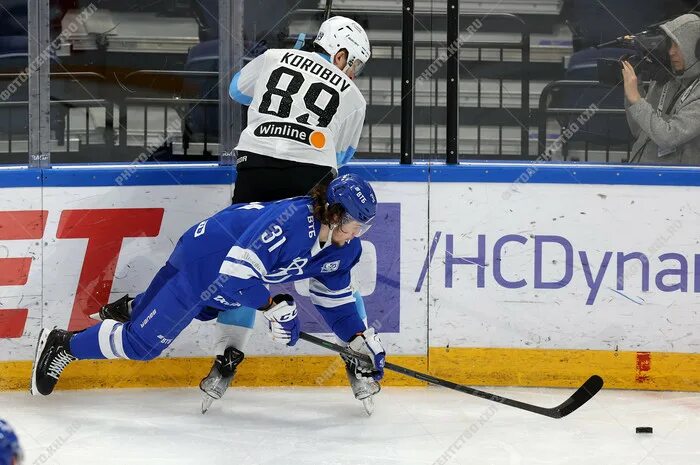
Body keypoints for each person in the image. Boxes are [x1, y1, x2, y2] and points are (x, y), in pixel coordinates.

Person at [95, 16, 375, 413]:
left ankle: (227, 353)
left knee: (245, 260)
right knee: (332, 262)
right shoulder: (354, 97)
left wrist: (286, 67)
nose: (352, 72)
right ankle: (356, 351)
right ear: (341, 53)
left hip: (254, 171)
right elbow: (342, 159)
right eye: (353, 63)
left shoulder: (276, 56)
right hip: (309, 182)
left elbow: (235, 91)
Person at [30, 174, 387, 413]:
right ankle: (63, 344)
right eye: (357, 224)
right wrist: (274, 306)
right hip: (204, 266)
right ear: (336, 214)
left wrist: (357, 338)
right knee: (143, 346)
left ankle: (137, 307)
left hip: (216, 264)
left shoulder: (344, 249)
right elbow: (235, 275)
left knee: (172, 315)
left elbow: (335, 301)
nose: (359, 234)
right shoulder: (291, 223)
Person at [623, 13, 700, 164]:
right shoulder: (666, 80)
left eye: (678, 45)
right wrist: (633, 88)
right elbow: (639, 131)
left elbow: (669, 137)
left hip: (675, 184)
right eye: (670, 44)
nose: (671, 52)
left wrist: (636, 100)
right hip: (640, 175)